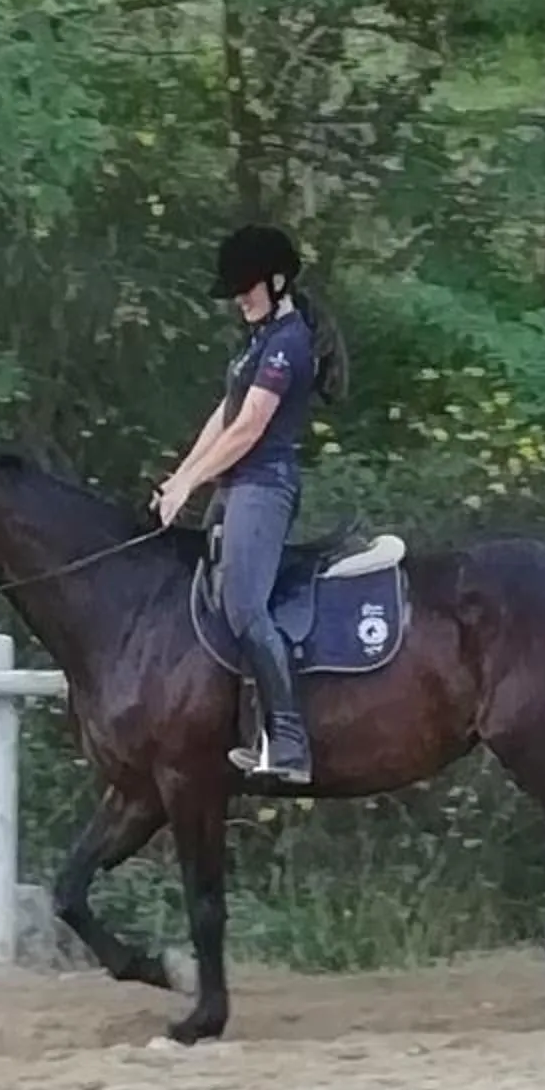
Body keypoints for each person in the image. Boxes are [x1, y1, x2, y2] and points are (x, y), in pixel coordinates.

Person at [153, 223, 342, 785]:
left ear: (278, 282)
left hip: (264, 484)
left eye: (248, 288)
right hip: (235, 485)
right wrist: (181, 476)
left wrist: (192, 485)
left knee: (243, 604)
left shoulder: (288, 343)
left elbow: (250, 428)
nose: (239, 298)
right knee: (199, 589)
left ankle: (288, 743)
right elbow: (225, 415)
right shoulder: (256, 342)